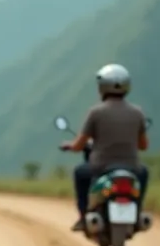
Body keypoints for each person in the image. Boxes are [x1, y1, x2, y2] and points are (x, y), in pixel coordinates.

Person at [59, 63, 149, 231]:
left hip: (101, 166)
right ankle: (137, 211)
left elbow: (79, 145)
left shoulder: (96, 112)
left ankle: (83, 215)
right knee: (144, 173)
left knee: (80, 173)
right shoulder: (137, 113)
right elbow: (144, 145)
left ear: (102, 86)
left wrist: (70, 145)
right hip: (132, 167)